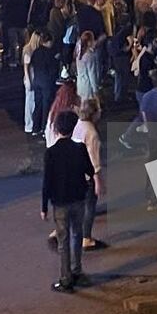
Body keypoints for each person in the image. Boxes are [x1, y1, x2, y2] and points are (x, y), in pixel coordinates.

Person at [41, 110, 94, 293]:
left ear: (57, 129)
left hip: (60, 201)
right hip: (78, 198)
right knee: (76, 235)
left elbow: (47, 180)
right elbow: (90, 169)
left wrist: (44, 206)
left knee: (63, 241)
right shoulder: (79, 149)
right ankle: (77, 270)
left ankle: (65, 278)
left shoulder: (51, 153)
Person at [72, 98, 104, 251]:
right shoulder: (92, 133)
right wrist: (98, 180)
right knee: (90, 205)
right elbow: (94, 159)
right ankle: (86, 237)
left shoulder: (79, 125)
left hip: (76, 171)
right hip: (87, 175)